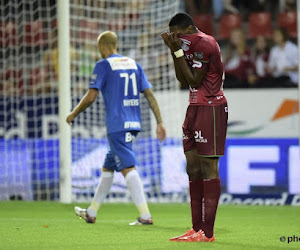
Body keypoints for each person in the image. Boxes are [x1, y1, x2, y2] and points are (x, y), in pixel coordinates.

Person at [66, 31, 166, 225]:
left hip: (117, 124)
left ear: (103, 47)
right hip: (133, 123)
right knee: (108, 168)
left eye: (98, 48)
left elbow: (91, 96)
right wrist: (160, 121)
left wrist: (73, 113)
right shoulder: (134, 64)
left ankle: (145, 215)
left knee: (128, 168)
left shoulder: (103, 65)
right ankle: (91, 212)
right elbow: (149, 95)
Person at [161, 13, 228, 242]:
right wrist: (174, 51)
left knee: (209, 168)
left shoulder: (204, 43)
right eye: (173, 36)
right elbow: (182, 79)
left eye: (179, 34)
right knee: (193, 169)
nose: (177, 38)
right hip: (193, 108)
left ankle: (207, 233)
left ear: (189, 28)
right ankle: (196, 228)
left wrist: (177, 50)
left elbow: (194, 80)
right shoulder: (185, 46)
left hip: (210, 107)